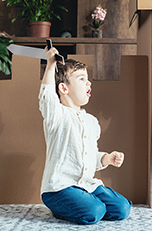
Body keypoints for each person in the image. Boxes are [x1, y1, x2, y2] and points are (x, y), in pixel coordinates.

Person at [38, 46, 131, 225]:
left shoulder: (91, 121)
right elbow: (47, 97)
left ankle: (83, 203)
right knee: (95, 210)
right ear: (63, 88)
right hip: (60, 188)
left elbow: (90, 156)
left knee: (122, 208)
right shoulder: (56, 114)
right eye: (82, 79)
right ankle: (63, 208)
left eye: (88, 79)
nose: (89, 83)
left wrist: (107, 158)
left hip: (86, 185)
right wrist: (50, 66)